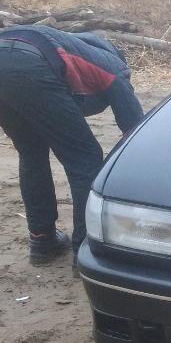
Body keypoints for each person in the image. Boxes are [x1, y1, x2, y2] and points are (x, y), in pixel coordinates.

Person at [0, 25, 144, 267]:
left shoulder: (73, 46)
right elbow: (135, 132)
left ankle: (42, 241)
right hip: (28, 62)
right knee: (86, 159)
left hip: (10, 56)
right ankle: (85, 249)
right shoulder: (114, 66)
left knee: (31, 152)